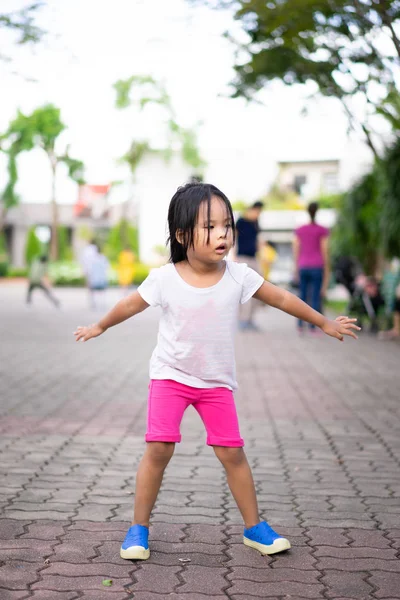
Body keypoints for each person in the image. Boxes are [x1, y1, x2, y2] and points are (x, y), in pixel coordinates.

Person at [74, 182, 359, 562]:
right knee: (158, 449)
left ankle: (254, 528)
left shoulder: (239, 276)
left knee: (232, 453)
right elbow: (129, 305)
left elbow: (282, 298)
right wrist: (100, 326)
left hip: (216, 384)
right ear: (182, 235)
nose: (222, 234)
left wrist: (322, 321)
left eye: (226, 225)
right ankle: (138, 529)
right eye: (209, 227)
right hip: (170, 377)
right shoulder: (164, 278)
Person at [293, 202, 330, 332]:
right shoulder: (322, 230)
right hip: (317, 266)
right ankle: (313, 327)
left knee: (302, 296)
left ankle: (299, 325)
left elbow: (296, 248)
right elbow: (325, 250)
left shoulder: (300, 229)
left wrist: (296, 267)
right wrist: (327, 268)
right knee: (315, 296)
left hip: (303, 265)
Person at [236, 201, 264, 330]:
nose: (258, 215)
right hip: (242, 258)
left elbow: (258, 241)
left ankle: (251, 318)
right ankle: (243, 320)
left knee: (258, 289)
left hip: (254, 259)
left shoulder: (256, 223)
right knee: (244, 290)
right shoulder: (240, 222)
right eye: (257, 212)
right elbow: (233, 239)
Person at [86, 244, 110, 310]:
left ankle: (94, 303)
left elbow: (90, 269)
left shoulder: (93, 259)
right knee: (102, 292)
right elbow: (107, 267)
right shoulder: (103, 258)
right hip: (102, 279)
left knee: (93, 291)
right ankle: (101, 303)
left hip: (94, 279)